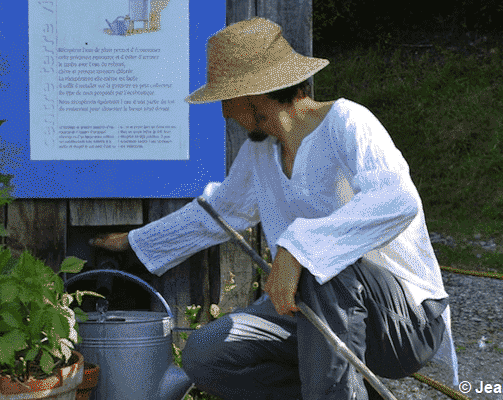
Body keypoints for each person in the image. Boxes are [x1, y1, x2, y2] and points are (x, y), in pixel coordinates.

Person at [89, 17, 458, 400]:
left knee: (323, 266)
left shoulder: (347, 122)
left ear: (255, 93)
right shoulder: (259, 152)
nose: (224, 113)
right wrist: (135, 243)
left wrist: (296, 249)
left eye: (226, 99)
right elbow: (221, 211)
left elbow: (397, 200)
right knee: (206, 355)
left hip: (404, 322)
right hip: (314, 318)